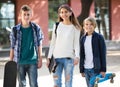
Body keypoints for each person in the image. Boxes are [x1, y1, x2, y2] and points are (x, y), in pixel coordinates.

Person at [47, 4, 81, 87]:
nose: (63, 14)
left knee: (68, 83)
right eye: (61, 12)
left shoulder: (75, 27)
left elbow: (76, 44)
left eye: (66, 12)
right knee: (56, 83)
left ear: (70, 13)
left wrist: (77, 56)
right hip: (56, 59)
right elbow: (53, 43)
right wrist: (49, 57)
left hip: (69, 59)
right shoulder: (57, 25)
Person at [9, 5, 44, 87]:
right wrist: (11, 62)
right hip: (19, 61)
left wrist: (40, 59)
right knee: (22, 84)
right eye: (24, 14)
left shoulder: (36, 28)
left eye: (28, 14)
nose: (26, 16)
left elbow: (39, 44)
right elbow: (12, 46)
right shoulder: (15, 30)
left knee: (34, 84)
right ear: (20, 15)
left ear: (31, 15)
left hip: (32, 61)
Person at [79, 17, 106, 87]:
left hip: (95, 68)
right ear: (84, 26)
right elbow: (82, 55)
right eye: (86, 24)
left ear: (94, 26)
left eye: (91, 24)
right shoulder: (83, 38)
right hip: (86, 68)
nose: (89, 26)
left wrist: (103, 69)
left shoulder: (99, 37)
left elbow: (103, 54)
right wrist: (81, 69)